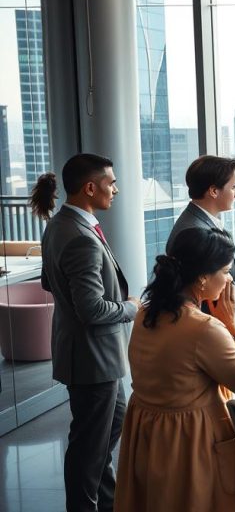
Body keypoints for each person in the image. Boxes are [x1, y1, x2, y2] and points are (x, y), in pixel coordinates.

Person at [114, 227, 235, 512]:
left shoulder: (146, 314)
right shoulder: (204, 328)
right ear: (202, 278)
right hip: (191, 443)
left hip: (151, 438)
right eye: (225, 271)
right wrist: (232, 326)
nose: (229, 279)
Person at [34, 154, 139, 512]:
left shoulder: (59, 225)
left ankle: (106, 502)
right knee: (89, 446)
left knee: (106, 431)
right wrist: (131, 308)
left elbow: (49, 281)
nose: (116, 189)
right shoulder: (81, 237)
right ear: (91, 188)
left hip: (90, 354)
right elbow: (93, 310)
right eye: (112, 183)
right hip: (92, 358)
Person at [167, 155, 235, 339]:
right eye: (233, 187)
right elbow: (193, 290)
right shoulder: (193, 231)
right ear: (213, 191)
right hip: (211, 333)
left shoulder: (205, 222)